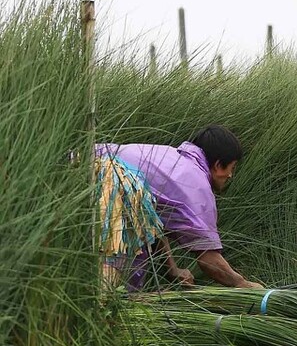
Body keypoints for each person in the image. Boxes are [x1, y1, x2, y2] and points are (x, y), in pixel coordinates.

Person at [95, 124, 264, 291]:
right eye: (232, 168)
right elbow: (208, 259)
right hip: (110, 188)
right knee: (109, 285)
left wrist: (172, 269)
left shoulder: (172, 157)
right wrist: (242, 284)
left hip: (86, 165)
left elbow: (154, 223)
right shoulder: (197, 187)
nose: (230, 175)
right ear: (218, 165)